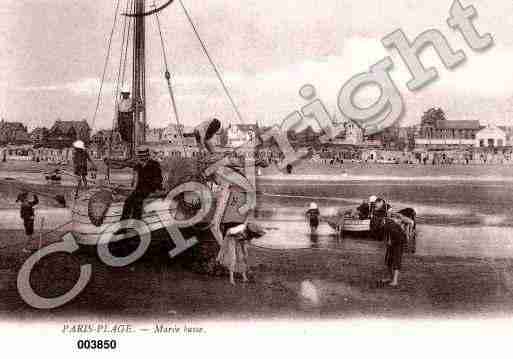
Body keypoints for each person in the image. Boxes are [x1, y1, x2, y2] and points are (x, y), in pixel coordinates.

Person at [120, 148, 163, 221]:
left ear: (147, 156)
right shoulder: (137, 166)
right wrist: (133, 186)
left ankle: (136, 224)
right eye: (141, 156)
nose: (142, 158)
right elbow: (135, 180)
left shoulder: (154, 164)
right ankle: (123, 225)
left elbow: (159, 178)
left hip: (150, 187)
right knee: (128, 201)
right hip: (139, 188)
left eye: (144, 156)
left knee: (137, 201)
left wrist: (153, 186)